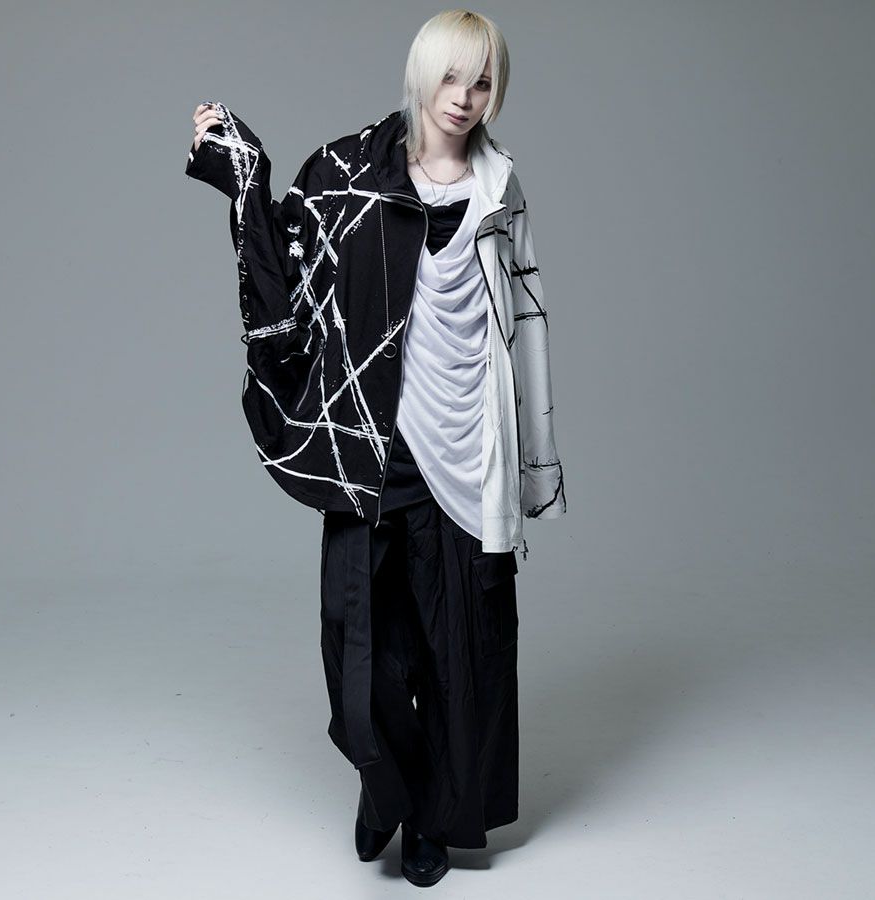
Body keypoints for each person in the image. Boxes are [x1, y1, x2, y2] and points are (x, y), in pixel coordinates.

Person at [186, 8, 566, 888]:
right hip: (375, 443)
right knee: (358, 647)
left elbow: (529, 326)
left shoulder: (502, 187)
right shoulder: (348, 172)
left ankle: (430, 822)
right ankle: (387, 785)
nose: (463, 97)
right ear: (421, 74)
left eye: (481, 81)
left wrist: (534, 465)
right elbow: (282, 277)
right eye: (450, 76)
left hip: (470, 450)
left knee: (459, 649)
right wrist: (243, 173)